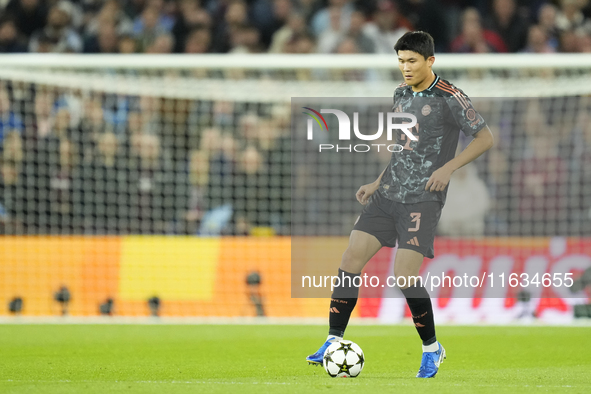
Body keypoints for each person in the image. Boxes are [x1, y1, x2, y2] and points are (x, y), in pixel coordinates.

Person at [305, 31, 494, 378]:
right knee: (350, 257)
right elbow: (402, 148)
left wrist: (448, 167)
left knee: (404, 276)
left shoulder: (449, 96)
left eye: (411, 61)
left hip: (422, 199)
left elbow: (485, 137)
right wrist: (377, 181)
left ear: (429, 61)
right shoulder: (401, 95)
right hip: (387, 194)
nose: (405, 68)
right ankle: (333, 341)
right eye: (401, 61)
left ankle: (432, 349)